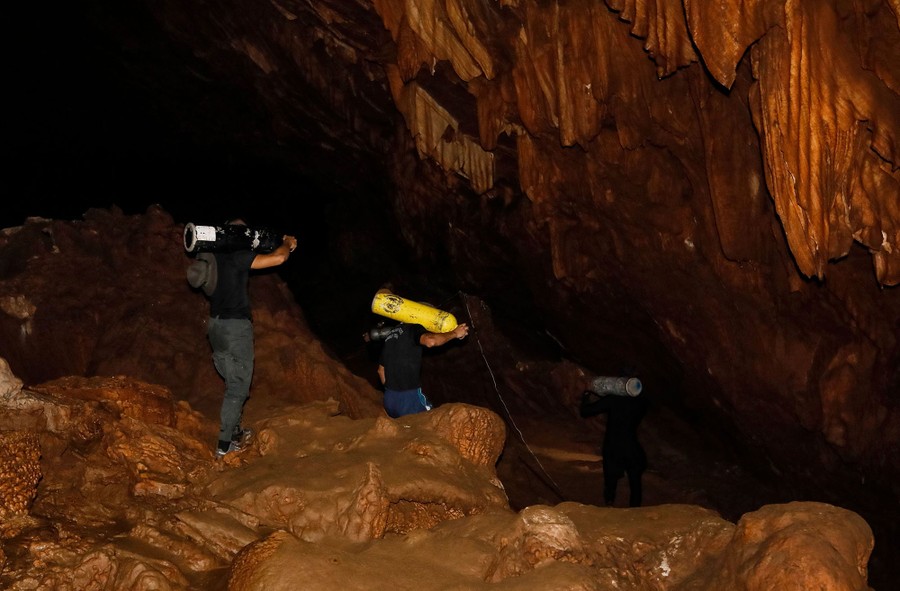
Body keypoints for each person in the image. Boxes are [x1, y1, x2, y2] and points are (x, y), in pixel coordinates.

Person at [187, 219, 298, 458]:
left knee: (232, 381)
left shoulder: (212, 254)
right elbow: (278, 259)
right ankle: (224, 445)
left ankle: (235, 432)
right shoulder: (237, 256)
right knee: (238, 387)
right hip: (236, 328)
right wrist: (287, 244)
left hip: (216, 326)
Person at [365, 320, 469, 418]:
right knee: (434, 425)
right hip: (409, 399)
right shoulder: (413, 327)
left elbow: (381, 370)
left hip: (389, 399)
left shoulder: (389, 338)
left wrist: (393, 392)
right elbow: (431, 341)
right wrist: (455, 333)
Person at [579, 387, 648, 507]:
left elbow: (586, 411)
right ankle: (636, 510)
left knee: (611, 479)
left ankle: (610, 504)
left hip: (613, 445)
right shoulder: (640, 400)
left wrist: (585, 398)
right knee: (635, 480)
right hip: (631, 445)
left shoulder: (614, 399)